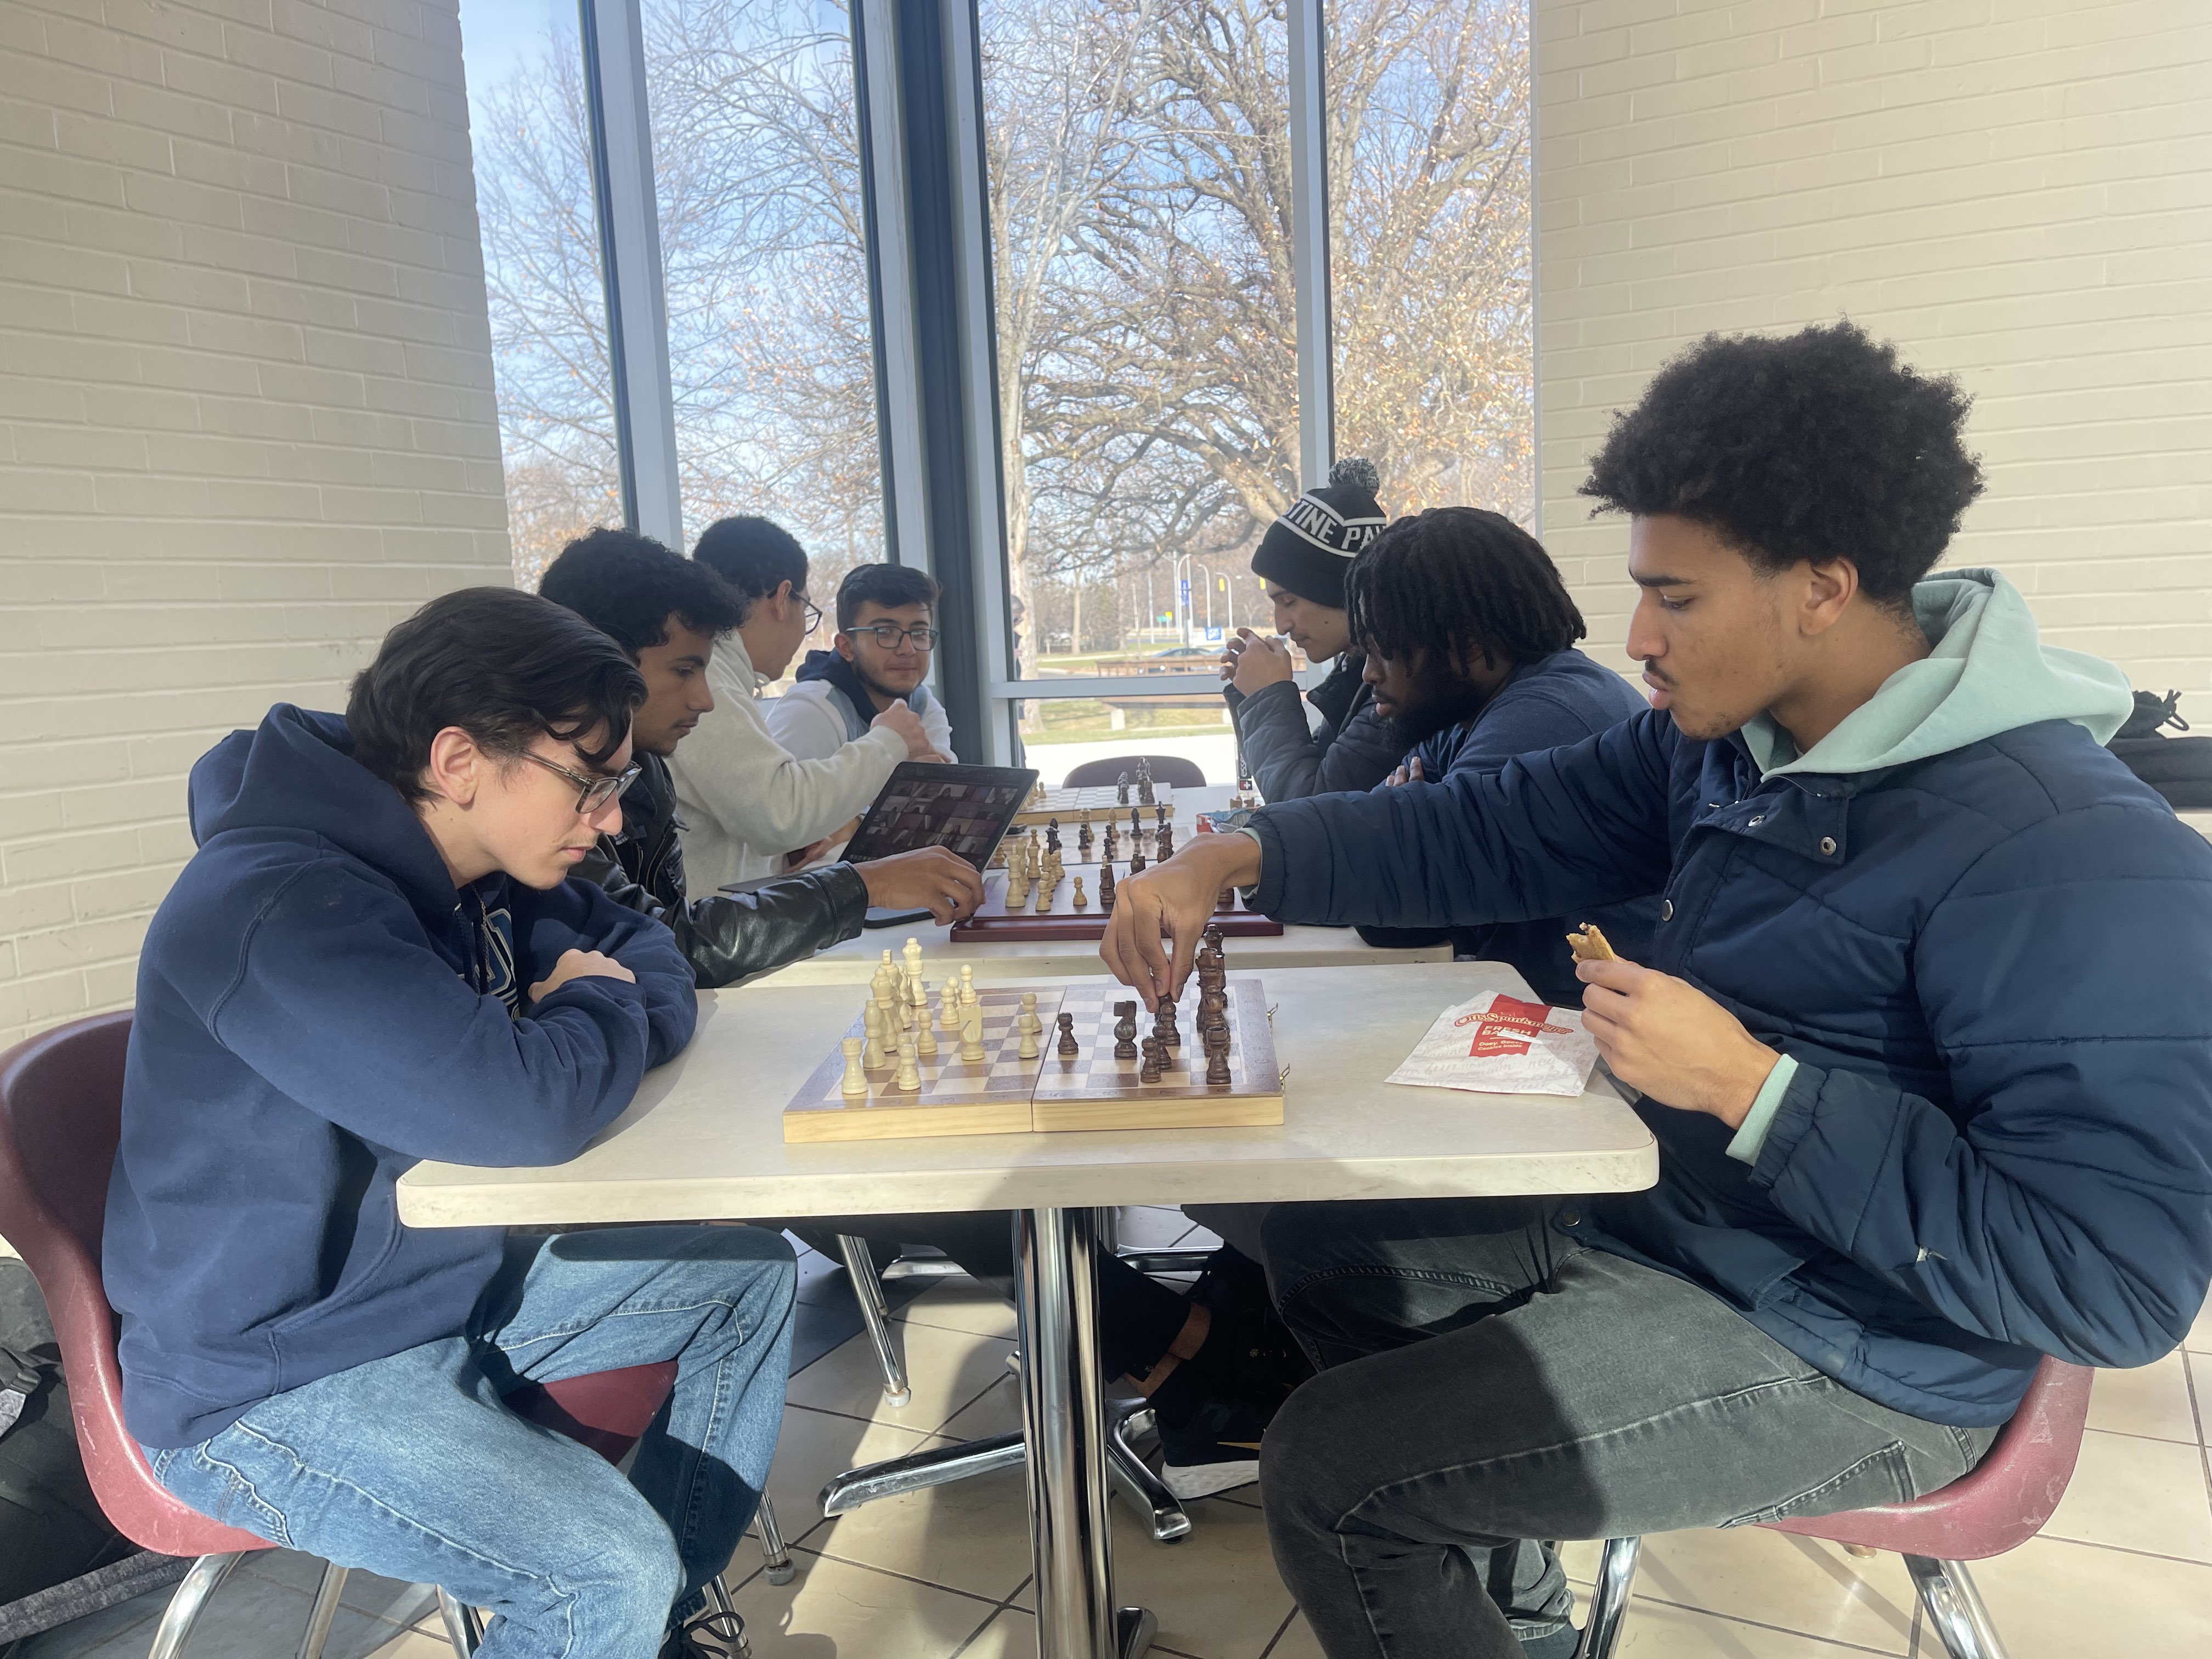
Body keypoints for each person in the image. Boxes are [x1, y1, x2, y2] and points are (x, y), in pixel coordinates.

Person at [1101, 321, 2212, 1659]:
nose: (1636, 636)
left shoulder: (2068, 851)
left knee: (1339, 1478)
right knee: (1338, 1246)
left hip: (1866, 1353)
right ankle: (1522, 1630)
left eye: (1675, 597)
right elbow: (1483, 827)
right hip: (1681, 1230)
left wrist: (1761, 1094)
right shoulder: (1731, 749)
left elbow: (2110, 1285)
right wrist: (1245, 853)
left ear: (1822, 586)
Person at [105, 586, 802, 1659]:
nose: (611, 819)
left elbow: (642, 946)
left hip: (438, 1294)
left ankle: (639, 1635)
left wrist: (589, 1000)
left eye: (619, 785)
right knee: (599, 1563)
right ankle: (608, 1616)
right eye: (589, 783)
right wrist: (592, 1003)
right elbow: (531, 1105)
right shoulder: (281, 910)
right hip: (275, 1381)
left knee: (743, 1280)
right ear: (460, 760)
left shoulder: (478, 864)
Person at [538, 528, 984, 983]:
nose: (704, 700)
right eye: (685, 670)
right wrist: (865, 883)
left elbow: (668, 933)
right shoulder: (553, 794)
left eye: (919, 633)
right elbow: (678, 941)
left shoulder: (647, 763)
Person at [1342, 506, 1659, 1003]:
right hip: (1551, 1008)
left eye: (1385, 650)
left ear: (1467, 646)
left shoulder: (1543, 717)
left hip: (1586, 1034)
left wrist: (1403, 830)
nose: (1369, 674)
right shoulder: (1488, 709)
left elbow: (1394, 916)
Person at [669, 516, 940, 891]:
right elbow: (780, 813)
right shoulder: (707, 679)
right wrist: (889, 743)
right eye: (807, 612)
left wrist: (782, 853)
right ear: (784, 599)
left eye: (919, 632)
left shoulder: (722, 676)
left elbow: (753, 823)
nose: (907, 649)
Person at [1220, 458, 1398, 799]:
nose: (1281, 625)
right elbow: (1306, 772)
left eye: (1288, 602)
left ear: (1343, 594)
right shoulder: (1357, 671)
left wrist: (1266, 696)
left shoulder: (1396, 689)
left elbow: (1305, 809)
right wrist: (1250, 696)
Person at [770, 563, 957, 764]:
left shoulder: (922, 704)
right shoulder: (811, 713)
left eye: (919, 633)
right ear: (846, 647)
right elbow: (781, 795)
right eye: (885, 633)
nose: (908, 649)